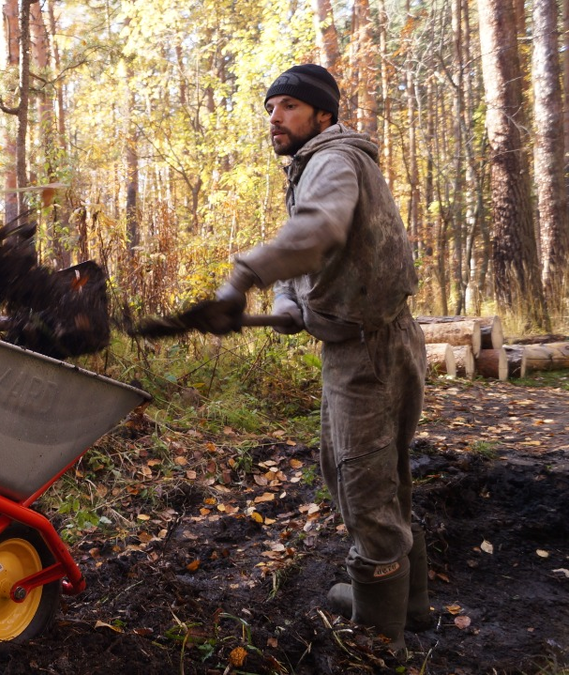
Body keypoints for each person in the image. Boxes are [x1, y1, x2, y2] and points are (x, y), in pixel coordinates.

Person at [198, 64, 429, 654]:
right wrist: (285, 300)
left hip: (369, 348)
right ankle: (408, 601)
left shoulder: (332, 159)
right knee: (364, 473)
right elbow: (312, 249)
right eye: (270, 107)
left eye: (289, 106)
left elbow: (319, 229)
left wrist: (245, 275)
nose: (273, 117)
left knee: (362, 482)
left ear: (322, 114)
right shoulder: (315, 164)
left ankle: (381, 634)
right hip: (356, 344)